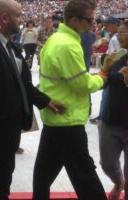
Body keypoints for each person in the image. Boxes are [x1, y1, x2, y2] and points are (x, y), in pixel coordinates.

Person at [0, 0, 65, 199]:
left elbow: (22, 83)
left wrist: (45, 101)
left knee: (1, 181)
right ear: (4, 18)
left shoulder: (9, 45)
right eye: (19, 16)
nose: (22, 21)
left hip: (9, 133)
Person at [33, 0, 108, 199]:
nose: (94, 23)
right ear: (74, 20)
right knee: (86, 177)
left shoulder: (56, 38)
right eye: (90, 20)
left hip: (54, 117)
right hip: (68, 118)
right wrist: (103, 77)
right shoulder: (68, 45)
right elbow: (82, 84)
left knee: (43, 174)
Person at [99, 21, 128, 200]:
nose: (120, 36)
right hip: (111, 119)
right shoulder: (114, 57)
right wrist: (106, 70)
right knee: (107, 164)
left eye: (124, 33)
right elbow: (103, 81)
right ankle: (118, 182)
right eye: (119, 33)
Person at [90, 17, 121, 124]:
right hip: (112, 67)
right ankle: (103, 115)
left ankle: (103, 116)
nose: (105, 27)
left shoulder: (117, 37)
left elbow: (117, 54)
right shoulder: (111, 35)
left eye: (107, 24)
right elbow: (104, 40)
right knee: (106, 94)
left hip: (115, 68)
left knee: (107, 94)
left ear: (114, 24)